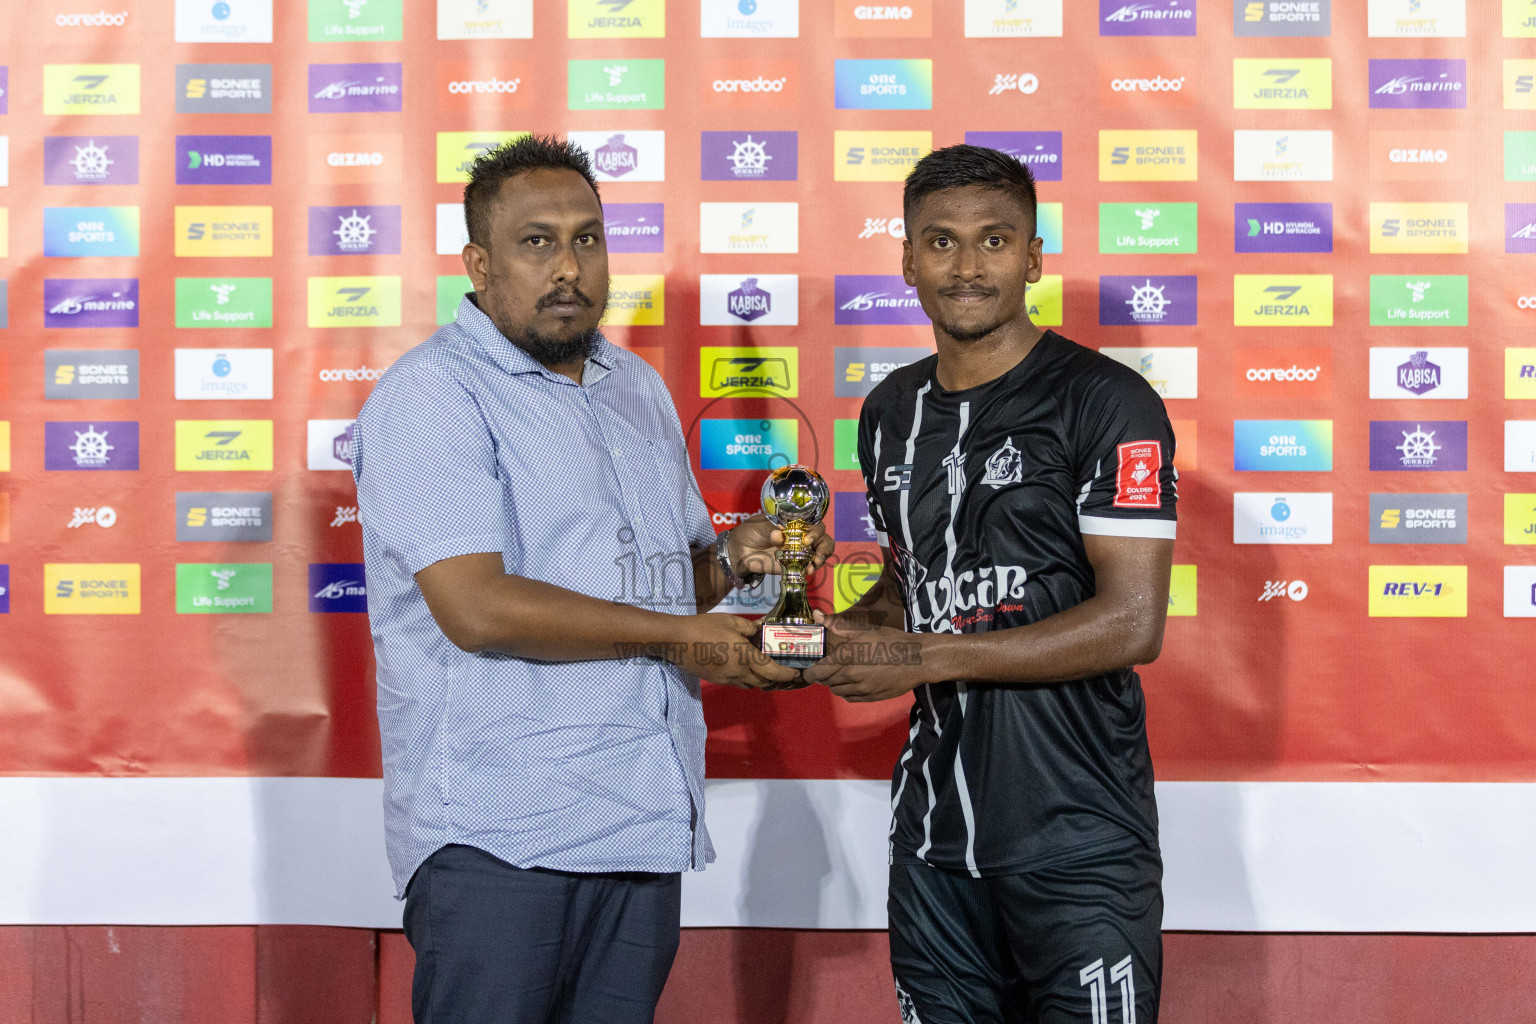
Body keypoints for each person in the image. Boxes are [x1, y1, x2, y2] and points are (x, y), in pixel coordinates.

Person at [350, 134, 829, 1024]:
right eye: (537, 243)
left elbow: (658, 593)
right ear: (479, 264)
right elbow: (478, 608)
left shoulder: (635, 387)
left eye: (587, 239)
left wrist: (739, 558)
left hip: (640, 823)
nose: (568, 267)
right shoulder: (432, 395)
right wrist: (692, 638)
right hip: (501, 838)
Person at [804, 144, 1178, 1023]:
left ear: (1034, 256)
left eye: (994, 240)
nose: (967, 267)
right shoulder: (889, 411)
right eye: (940, 243)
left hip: (1078, 839)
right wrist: (825, 634)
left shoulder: (1106, 400)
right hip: (932, 843)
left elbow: (1131, 624)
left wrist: (920, 657)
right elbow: (914, 586)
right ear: (905, 259)